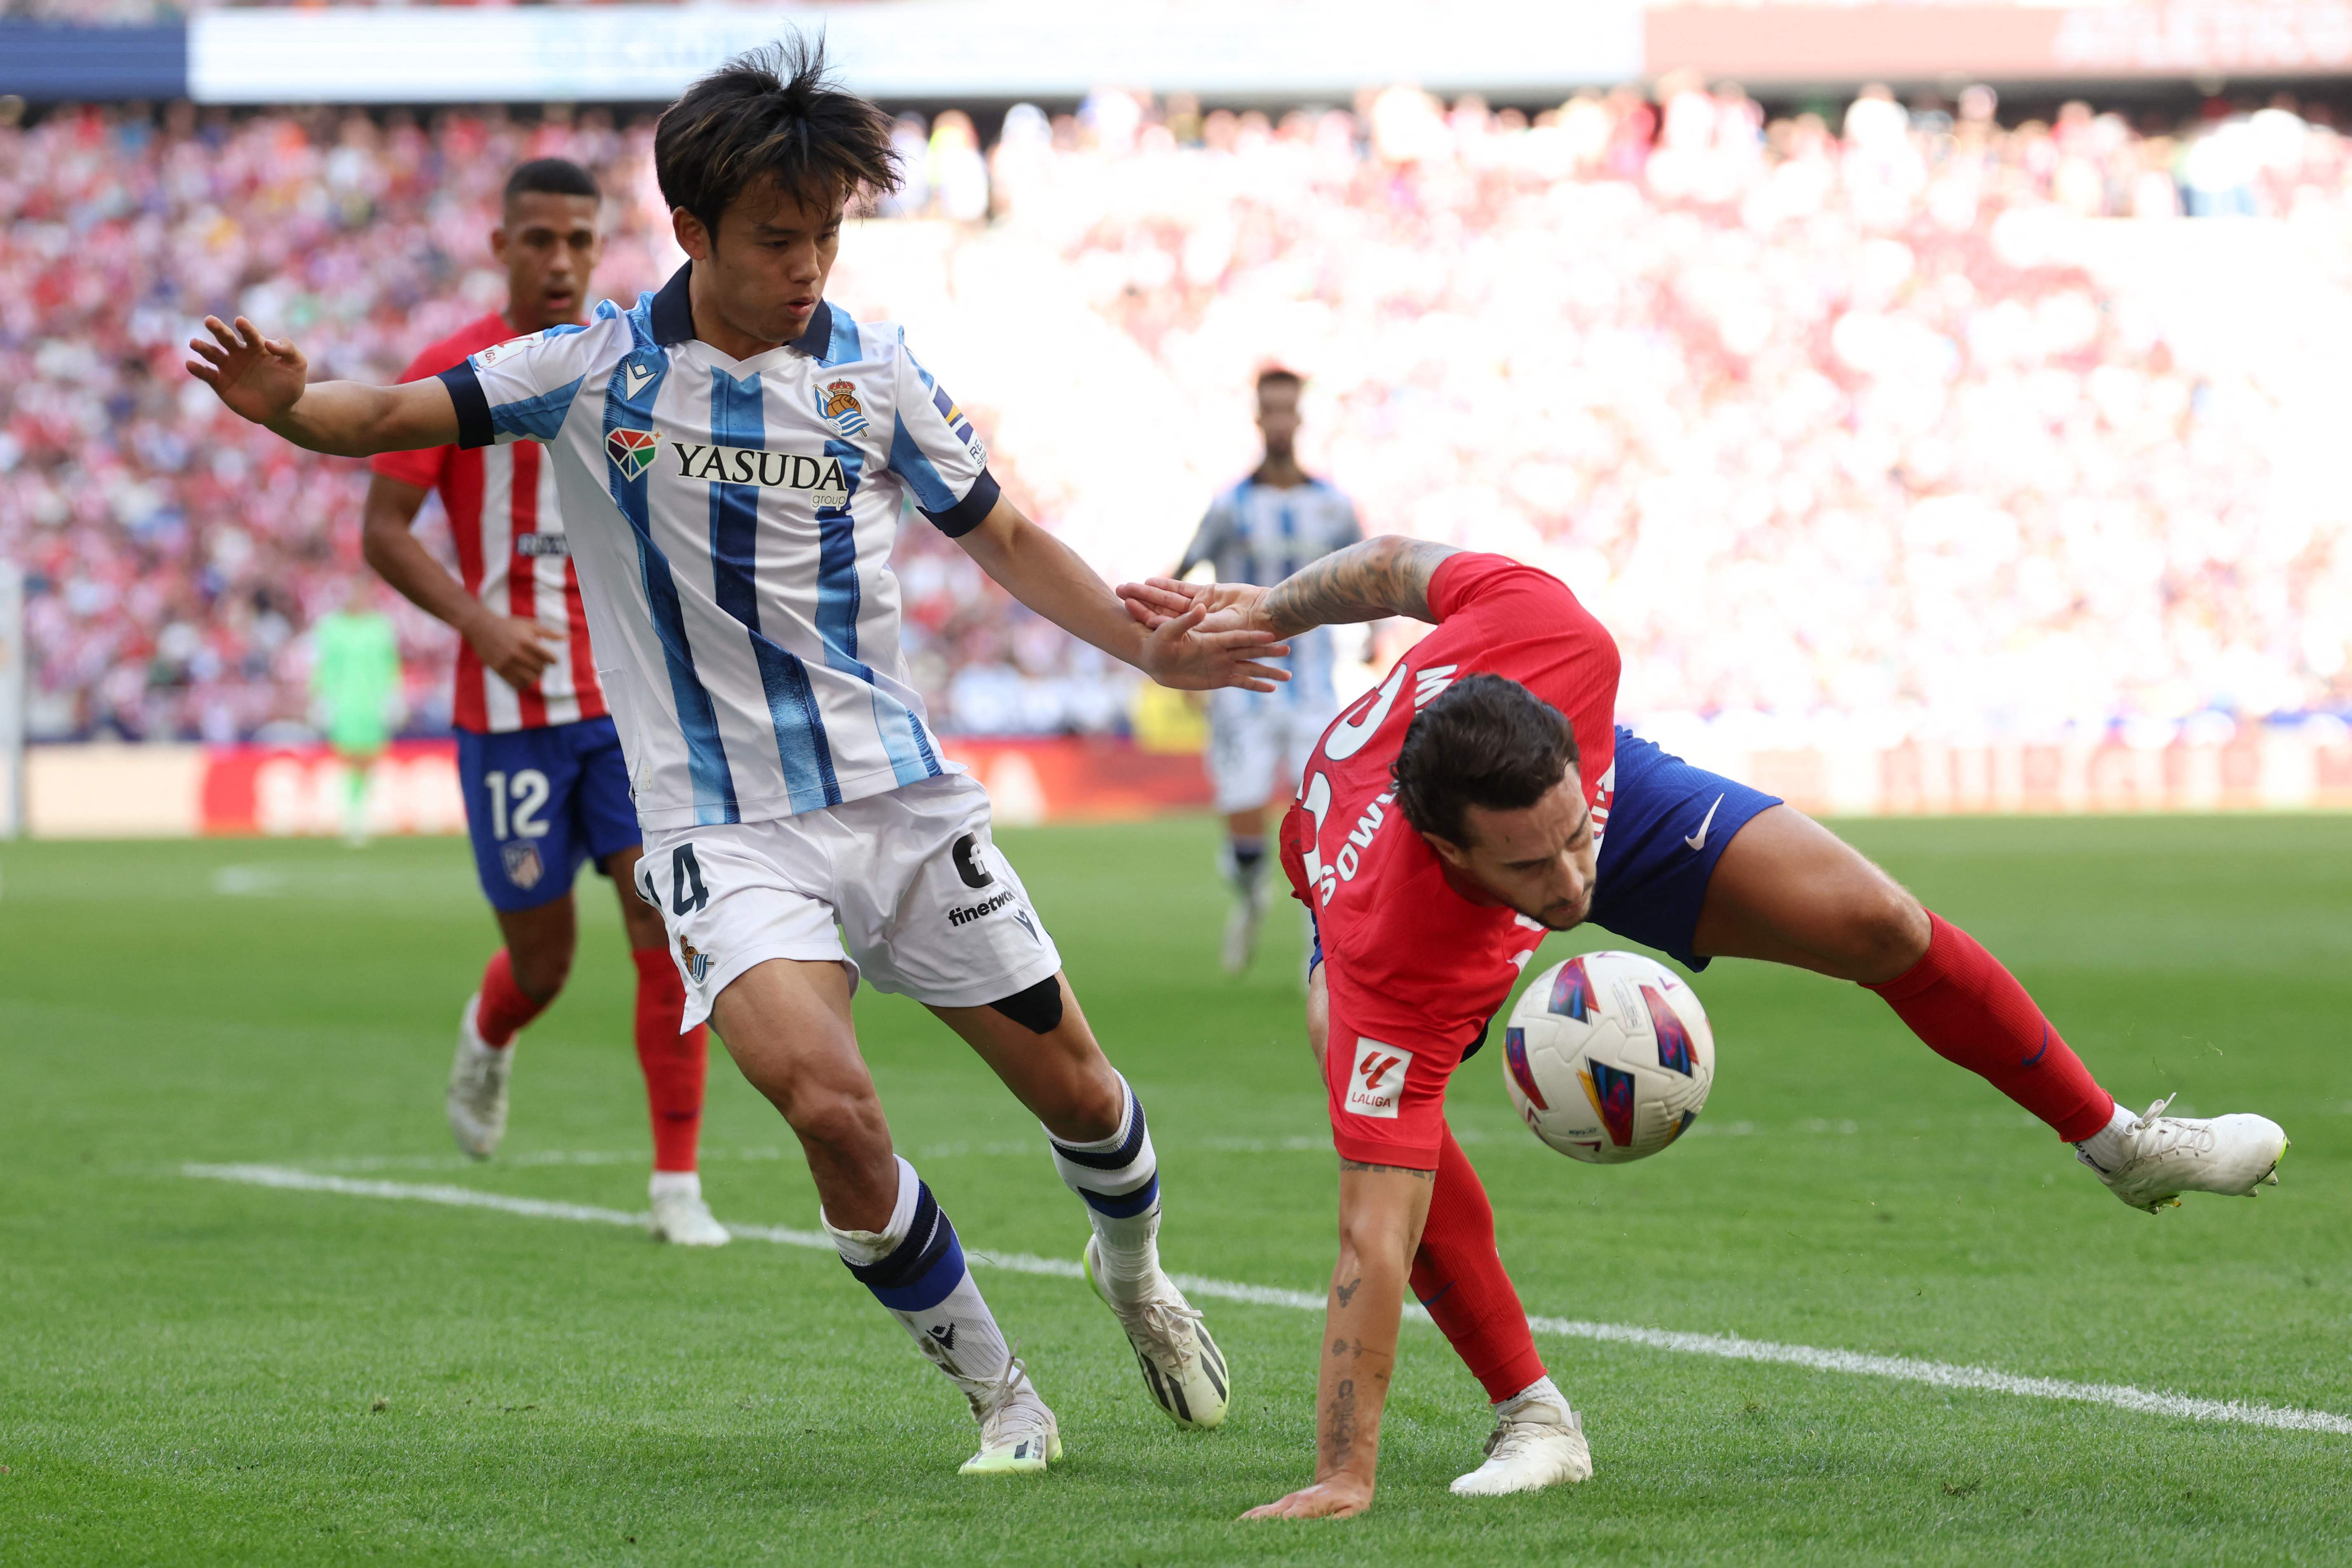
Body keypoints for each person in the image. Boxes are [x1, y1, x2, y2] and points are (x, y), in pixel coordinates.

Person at [187, 36, 1284, 1475]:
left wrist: (1145, 646)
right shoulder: (589, 372)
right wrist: (290, 408)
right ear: (695, 230)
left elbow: (1003, 535)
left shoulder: (876, 375)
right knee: (826, 1106)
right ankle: (1004, 1395)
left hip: (895, 797)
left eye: (827, 233)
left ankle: (1134, 1275)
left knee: (1080, 1090)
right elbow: (390, 417)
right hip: (718, 827)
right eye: (778, 236)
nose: (810, 264)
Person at [1118, 537, 2290, 1519]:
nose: (1573, 889)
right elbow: (1369, 1237)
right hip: (1371, 900)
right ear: (1456, 852)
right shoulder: (1398, 950)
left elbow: (1383, 567)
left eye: (1576, 845)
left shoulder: (1559, 644)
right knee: (1386, 1132)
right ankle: (1533, 1412)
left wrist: (1262, 607)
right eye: (1535, 868)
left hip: (1569, 780)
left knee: (1879, 919)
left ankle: (2119, 1144)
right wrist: (1344, 1471)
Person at [356, 157, 727, 1247]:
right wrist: (479, 622)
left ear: (600, 245)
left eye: (579, 240)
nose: (561, 262)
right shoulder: (448, 373)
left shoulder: (636, 368)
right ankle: (490, 1026)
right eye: (539, 241)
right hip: (508, 718)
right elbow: (383, 532)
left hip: (628, 716)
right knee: (543, 964)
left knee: (668, 928)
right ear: (501, 247)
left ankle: (677, 1184)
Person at [1176, 368, 1362, 973]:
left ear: (1299, 418)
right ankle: (1251, 892)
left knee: (1328, 812)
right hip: (1242, 685)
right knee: (1244, 804)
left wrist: (1374, 642)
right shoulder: (1230, 507)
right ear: (1259, 419)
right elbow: (1184, 570)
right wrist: (1179, 646)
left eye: (1289, 410)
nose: (1280, 421)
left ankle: (1327, 933)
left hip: (1313, 688)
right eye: (1270, 411)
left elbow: (1370, 572)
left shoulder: (1333, 507)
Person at [307, 587, 402, 846]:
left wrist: (393, 696)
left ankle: (366, 812)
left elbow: (390, 664)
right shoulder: (331, 628)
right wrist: (321, 698)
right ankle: (352, 813)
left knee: (370, 759)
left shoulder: (380, 627)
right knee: (348, 758)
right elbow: (324, 665)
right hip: (344, 704)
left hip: (373, 704)